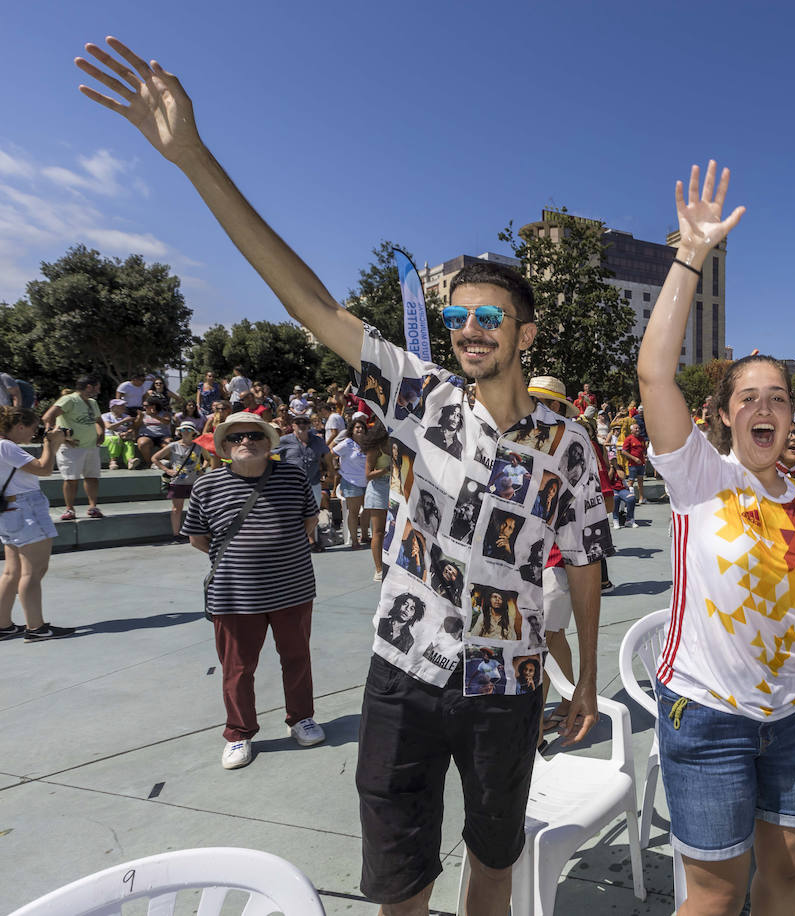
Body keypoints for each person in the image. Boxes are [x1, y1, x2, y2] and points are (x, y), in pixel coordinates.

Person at [79, 36, 614, 913]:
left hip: (510, 680)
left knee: (493, 858)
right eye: (459, 316)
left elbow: (586, 562)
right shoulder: (420, 394)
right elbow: (309, 302)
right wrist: (194, 160)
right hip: (404, 668)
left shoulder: (570, 443)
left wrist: (585, 676)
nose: (470, 329)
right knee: (400, 877)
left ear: (526, 334)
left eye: (491, 316)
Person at [638, 162, 795, 916]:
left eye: (778, 398)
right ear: (726, 416)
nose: (764, 408)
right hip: (707, 715)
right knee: (714, 891)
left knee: (793, 867)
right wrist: (691, 256)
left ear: (794, 418)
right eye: (748, 398)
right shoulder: (701, 478)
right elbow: (652, 375)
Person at [181, 411, 323, 768]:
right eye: (236, 437)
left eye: (254, 436)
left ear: (268, 442)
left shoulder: (292, 476)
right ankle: (239, 732)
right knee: (237, 668)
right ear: (225, 446)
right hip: (234, 592)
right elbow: (198, 538)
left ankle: (301, 718)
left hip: (292, 588)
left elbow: (309, 518)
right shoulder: (207, 485)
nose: (246, 442)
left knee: (297, 659)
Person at [0, 408, 73, 641]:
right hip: (25, 507)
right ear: (19, 425)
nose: (34, 434)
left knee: (13, 572)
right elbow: (44, 469)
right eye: (32, 428)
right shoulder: (7, 446)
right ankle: (36, 627)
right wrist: (51, 444)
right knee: (34, 570)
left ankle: (3, 625)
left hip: (9, 510)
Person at [42, 375, 106, 520]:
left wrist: (101, 434)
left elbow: (99, 421)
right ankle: (70, 509)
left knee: (92, 477)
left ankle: (93, 507)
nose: (99, 390)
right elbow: (48, 417)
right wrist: (59, 436)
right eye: (97, 386)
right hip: (71, 447)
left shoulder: (92, 402)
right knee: (71, 479)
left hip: (91, 446)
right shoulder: (69, 399)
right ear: (89, 387)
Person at [275, 415, 331, 552]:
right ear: (292, 425)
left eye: (305, 422)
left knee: (312, 514)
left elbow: (327, 455)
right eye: (298, 422)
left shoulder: (318, 441)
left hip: (313, 483)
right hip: (291, 485)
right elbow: (269, 455)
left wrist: (331, 473)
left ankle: (310, 541)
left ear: (309, 425)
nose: (301, 424)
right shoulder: (284, 441)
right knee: (294, 514)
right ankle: (298, 542)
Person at [152, 422, 206, 541]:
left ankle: (196, 532)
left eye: (188, 429)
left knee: (198, 508)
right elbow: (155, 458)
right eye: (183, 429)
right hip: (179, 481)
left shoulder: (199, 446)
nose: (185, 431)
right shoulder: (173, 445)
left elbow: (207, 459)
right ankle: (176, 534)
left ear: (193, 432)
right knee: (177, 508)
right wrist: (167, 469)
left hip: (195, 480)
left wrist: (202, 468)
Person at [332, 416, 370, 548]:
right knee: (353, 512)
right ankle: (354, 540)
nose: (360, 429)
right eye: (357, 427)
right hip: (351, 482)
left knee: (367, 510)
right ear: (352, 430)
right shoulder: (347, 443)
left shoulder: (367, 443)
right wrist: (335, 468)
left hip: (368, 482)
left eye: (362, 427)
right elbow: (331, 453)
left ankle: (365, 535)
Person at [362, 423, 392, 580]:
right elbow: (368, 475)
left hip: (395, 489)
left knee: (393, 530)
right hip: (378, 490)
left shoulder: (396, 444)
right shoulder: (375, 448)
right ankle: (379, 569)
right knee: (379, 532)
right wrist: (387, 469)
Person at [101, 398, 139, 470]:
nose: (124, 407)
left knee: (129, 442)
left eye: (123, 405)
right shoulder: (105, 416)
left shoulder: (126, 416)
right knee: (115, 439)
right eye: (121, 405)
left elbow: (130, 428)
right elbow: (109, 427)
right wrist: (123, 421)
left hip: (122, 437)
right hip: (108, 437)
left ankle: (130, 461)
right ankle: (113, 462)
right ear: (113, 407)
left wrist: (127, 433)